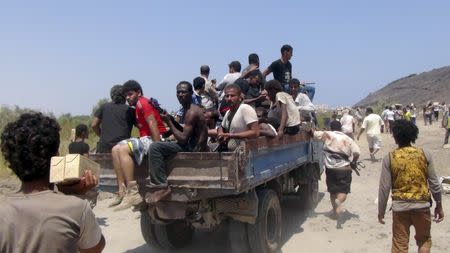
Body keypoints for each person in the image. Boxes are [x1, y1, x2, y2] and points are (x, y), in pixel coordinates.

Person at [0, 112, 105, 253]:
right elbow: (94, 248)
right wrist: (75, 195)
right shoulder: (76, 208)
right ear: (55, 158)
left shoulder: (3, 208)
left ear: (11, 161)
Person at [378, 120, 444, 253]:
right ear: (414, 136)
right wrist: (439, 204)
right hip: (422, 206)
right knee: (424, 240)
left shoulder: (390, 158)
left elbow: (384, 188)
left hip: (400, 208)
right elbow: (434, 183)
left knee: (400, 245)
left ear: (395, 138)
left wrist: (381, 211)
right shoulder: (424, 154)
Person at [112, 80, 166, 210]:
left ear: (139, 93)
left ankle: (133, 192)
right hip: (146, 138)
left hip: (154, 138)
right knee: (115, 149)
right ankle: (122, 191)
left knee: (123, 150)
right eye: (126, 95)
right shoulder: (137, 106)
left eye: (130, 94)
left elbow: (152, 124)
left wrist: (157, 147)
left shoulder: (143, 103)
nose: (127, 97)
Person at [148, 81, 209, 186]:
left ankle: (160, 185)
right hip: (191, 145)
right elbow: (185, 131)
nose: (180, 95)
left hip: (193, 148)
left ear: (191, 94)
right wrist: (171, 121)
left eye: (183, 92)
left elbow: (183, 139)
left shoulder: (191, 112)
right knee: (162, 143)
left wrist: (168, 122)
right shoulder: (187, 109)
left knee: (155, 147)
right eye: (178, 92)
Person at [313, 121, 360, 221]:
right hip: (344, 169)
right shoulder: (348, 138)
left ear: (330, 127)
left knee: (332, 191)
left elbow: (313, 134)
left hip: (330, 169)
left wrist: (311, 128)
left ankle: (335, 212)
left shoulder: (327, 134)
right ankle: (339, 201)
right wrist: (354, 162)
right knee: (343, 191)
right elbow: (357, 152)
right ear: (341, 128)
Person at [92, 85, 135, 153]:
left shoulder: (104, 107)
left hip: (104, 148)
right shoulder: (130, 110)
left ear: (111, 96)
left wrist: (102, 137)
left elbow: (94, 125)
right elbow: (141, 126)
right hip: (122, 148)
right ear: (124, 96)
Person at [218, 84, 260, 151]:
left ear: (239, 97)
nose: (229, 98)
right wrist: (221, 134)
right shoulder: (228, 112)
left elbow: (256, 132)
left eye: (232, 96)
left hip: (246, 152)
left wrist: (231, 135)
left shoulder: (245, 108)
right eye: (227, 96)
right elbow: (222, 127)